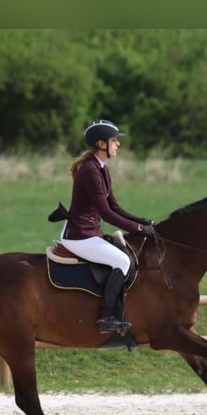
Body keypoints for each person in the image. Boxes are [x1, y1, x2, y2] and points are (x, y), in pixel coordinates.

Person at [49, 119, 154, 334]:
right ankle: (106, 317)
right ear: (101, 143)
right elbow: (106, 213)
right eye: (114, 140)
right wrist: (139, 230)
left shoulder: (101, 168)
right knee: (122, 261)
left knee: (125, 256)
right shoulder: (90, 170)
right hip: (79, 236)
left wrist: (140, 221)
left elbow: (113, 205)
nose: (118, 145)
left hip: (90, 232)